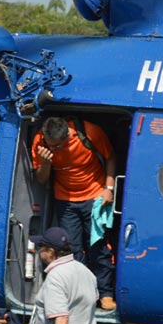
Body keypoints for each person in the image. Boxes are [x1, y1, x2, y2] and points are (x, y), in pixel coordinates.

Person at [31, 116, 117, 310]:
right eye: (50, 145)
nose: (53, 149)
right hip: (65, 199)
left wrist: (109, 188)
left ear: (68, 136)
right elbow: (42, 180)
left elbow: (111, 156)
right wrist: (46, 163)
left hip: (95, 195)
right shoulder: (40, 142)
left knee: (98, 246)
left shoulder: (89, 132)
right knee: (72, 250)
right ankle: (82, 294)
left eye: (57, 146)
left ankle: (105, 293)